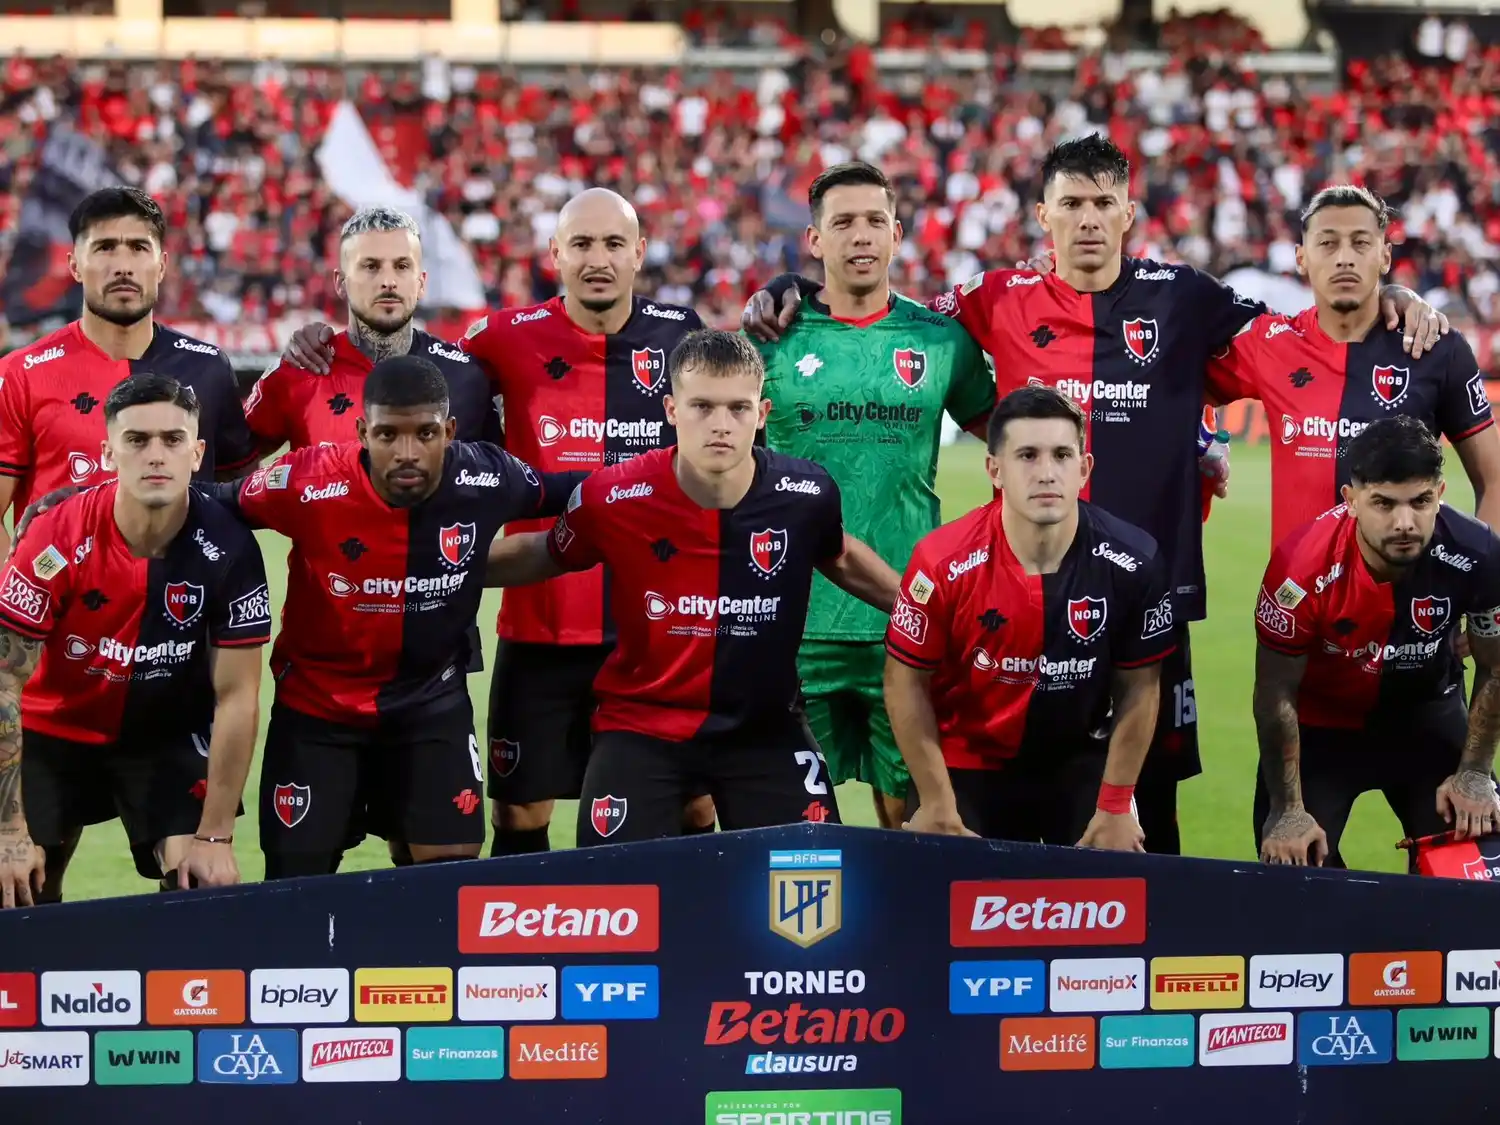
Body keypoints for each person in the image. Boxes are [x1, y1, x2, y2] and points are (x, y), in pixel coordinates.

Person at [743, 134, 1448, 857]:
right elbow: (886, 314)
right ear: (1043, 215)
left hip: (1150, 598)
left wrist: (1383, 295)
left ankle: (1137, 964)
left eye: (1103, 202)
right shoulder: (994, 298)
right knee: (998, 808)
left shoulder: (1186, 297)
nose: (1087, 218)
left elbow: (1305, 337)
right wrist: (795, 287)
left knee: (1151, 819)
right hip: (1014, 600)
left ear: (1129, 213)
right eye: (1072, 203)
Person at [283, 188, 709, 856]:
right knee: (518, 810)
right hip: (540, 620)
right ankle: (524, 958)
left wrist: (787, 293)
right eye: (583, 244)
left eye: (614, 243)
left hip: (657, 619)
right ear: (555, 255)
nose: (598, 259)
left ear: (639, 253)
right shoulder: (500, 340)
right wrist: (324, 339)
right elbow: (410, 380)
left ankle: (676, 949)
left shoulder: (685, 334)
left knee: (688, 797)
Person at [484, 330, 900, 844]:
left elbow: (840, 556)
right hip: (641, 726)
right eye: (702, 405)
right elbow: (545, 551)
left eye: (738, 408)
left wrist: (924, 611)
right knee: (612, 893)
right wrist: (427, 572)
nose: (721, 425)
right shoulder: (613, 496)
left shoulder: (807, 494)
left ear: (763, 412)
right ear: (671, 409)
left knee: (815, 882)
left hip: (764, 729)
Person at [209, 355, 582, 879]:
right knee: (295, 888)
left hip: (432, 704)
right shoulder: (307, 480)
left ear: (449, 431)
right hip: (319, 709)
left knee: (445, 881)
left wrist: (669, 479)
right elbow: (212, 503)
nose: (407, 452)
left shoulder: (485, 475)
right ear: (362, 431)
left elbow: (576, 490)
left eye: (426, 433)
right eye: (387, 435)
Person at [754, 161, 996, 832]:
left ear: (896, 234)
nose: (859, 236)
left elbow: (1009, 438)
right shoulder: (769, 338)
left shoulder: (940, 340)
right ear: (814, 240)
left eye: (872, 222)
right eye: (842, 223)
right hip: (793, 624)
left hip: (909, 619)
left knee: (914, 827)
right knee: (796, 838)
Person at [0, 373, 271, 908]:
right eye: (137, 440)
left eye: (172, 440)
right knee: (19, 887)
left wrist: (215, 836)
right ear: (108, 453)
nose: (156, 455)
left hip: (163, 733)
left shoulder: (230, 546)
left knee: (206, 885)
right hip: (55, 730)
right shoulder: (56, 535)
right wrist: (9, 831)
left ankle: (187, 992)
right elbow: (4, 678)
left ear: (196, 454)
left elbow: (237, 697)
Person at [884, 386, 1171, 847]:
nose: (1046, 473)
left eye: (1061, 455)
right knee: (944, 895)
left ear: (1084, 468)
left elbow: (1140, 686)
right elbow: (904, 681)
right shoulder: (941, 562)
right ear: (994, 470)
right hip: (967, 760)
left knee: (1113, 890)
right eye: (1027, 456)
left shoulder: (1134, 561)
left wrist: (1116, 804)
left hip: (1079, 759)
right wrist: (937, 801)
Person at [1253, 415, 1500, 869]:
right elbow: (1274, 694)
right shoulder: (1299, 570)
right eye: (1384, 503)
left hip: (1428, 719)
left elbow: (1496, 666)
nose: (1404, 522)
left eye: (1421, 501)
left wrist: (1475, 772)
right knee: (1295, 881)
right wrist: (1288, 809)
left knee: (1477, 879)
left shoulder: (1479, 554)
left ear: (1440, 494)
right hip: (1322, 731)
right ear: (1351, 500)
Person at [1208, 184, 1500, 545]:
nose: (1344, 258)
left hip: (1406, 599)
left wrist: (1485, 586)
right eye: (1328, 243)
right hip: (1296, 599)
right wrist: (1203, 441)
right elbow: (1171, 380)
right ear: (1302, 258)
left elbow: (1494, 480)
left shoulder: (1435, 347)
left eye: (1361, 243)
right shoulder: (1270, 343)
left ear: (1385, 256)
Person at [0, 187, 259, 559]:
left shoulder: (208, 368)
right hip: (64, 611)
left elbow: (236, 499)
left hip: (178, 608)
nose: (123, 265)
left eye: (139, 248)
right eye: (105, 247)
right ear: (74, 265)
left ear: (162, 265)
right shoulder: (21, 373)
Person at [245, 206, 500, 452]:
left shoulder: (466, 377)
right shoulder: (300, 370)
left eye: (402, 266)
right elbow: (232, 471)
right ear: (340, 283)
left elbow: (501, 486)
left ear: (421, 283)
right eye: (371, 266)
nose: (388, 282)